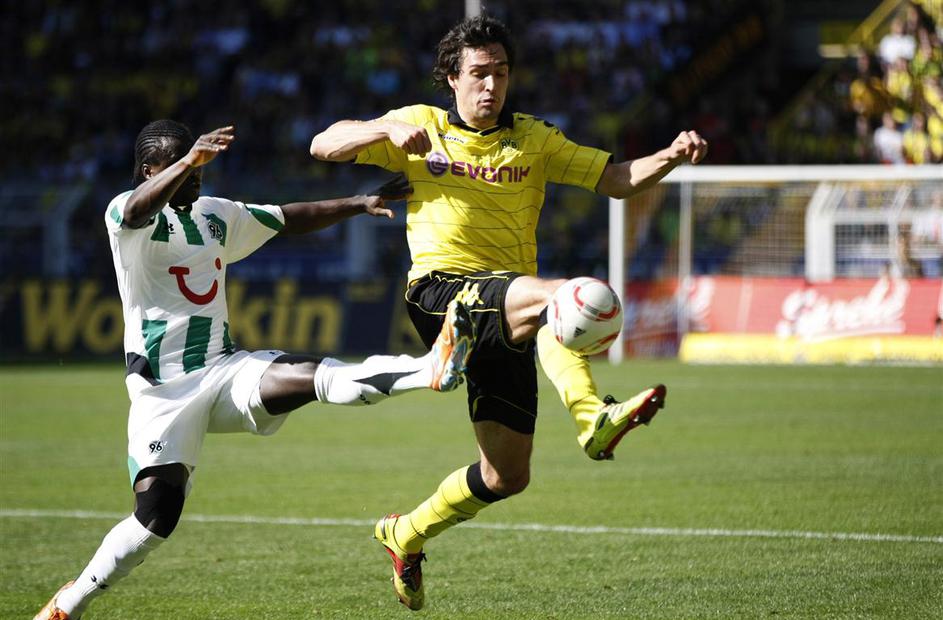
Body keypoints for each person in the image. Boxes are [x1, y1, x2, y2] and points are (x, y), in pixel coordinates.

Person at [310, 15, 707, 611]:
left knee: (506, 475)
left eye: (500, 72)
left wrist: (670, 155)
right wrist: (385, 130)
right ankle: (591, 417)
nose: (491, 85)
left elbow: (615, 179)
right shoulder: (419, 125)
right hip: (440, 292)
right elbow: (323, 143)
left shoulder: (535, 139)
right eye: (478, 73)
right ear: (452, 78)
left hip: (506, 306)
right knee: (563, 296)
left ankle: (406, 533)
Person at [34, 120, 476, 620]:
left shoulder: (215, 216)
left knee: (315, 376)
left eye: (198, 164)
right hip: (164, 393)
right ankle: (69, 604)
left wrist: (358, 202)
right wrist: (190, 160)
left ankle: (430, 367)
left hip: (225, 369)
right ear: (149, 169)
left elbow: (286, 218)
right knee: (156, 519)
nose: (196, 173)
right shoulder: (126, 215)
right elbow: (137, 209)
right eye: (180, 164)